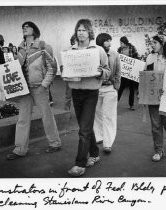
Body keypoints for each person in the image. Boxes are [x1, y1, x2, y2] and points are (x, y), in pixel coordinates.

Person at [6, 21, 61, 160]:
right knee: (22, 118)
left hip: (39, 87)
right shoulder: (19, 49)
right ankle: (20, 149)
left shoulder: (44, 47)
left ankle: (55, 143)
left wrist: (44, 84)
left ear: (34, 30)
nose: (24, 28)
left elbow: (52, 68)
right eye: (22, 27)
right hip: (24, 89)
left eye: (27, 26)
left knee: (46, 115)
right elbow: (14, 68)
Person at [66, 19, 110, 177]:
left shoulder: (98, 50)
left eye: (84, 30)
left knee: (83, 130)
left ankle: (80, 164)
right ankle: (95, 153)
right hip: (76, 92)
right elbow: (65, 72)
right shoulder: (70, 51)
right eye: (78, 30)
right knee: (86, 126)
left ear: (89, 32)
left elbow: (107, 71)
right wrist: (65, 72)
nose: (81, 33)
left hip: (91, 92)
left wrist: (100, 72)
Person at [141, 34, 166, 162]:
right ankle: (158, 150)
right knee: (155, 125)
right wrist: (142, 92)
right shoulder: (149, 57)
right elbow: (145, 75)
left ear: (162, 44)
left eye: (155, 42)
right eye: (151, 42)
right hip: (153, 97)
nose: (152, 45)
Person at [94, 33, 121, 153]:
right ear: (100, 42)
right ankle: (99, 136)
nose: (109, 43)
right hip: (97, 87)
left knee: (108, 116)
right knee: (97, 113)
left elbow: (118, 71)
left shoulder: (115, 54)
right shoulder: (94, 53)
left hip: (110, 88)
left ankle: (108, 143)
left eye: (110, 41)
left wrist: (116, 86)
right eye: (107, 41)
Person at [117, 36, 140, 110]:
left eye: (121, 43)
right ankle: (115, 103)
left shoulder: (132, 48)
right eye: (120, 43)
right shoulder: (120, 49)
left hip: (131, 72)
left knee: (131, 89)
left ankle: (131, 105)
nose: (120, 44)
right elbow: (117, 58)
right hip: (123, 72)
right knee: (121, 88)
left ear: (125, 42)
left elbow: (137, 57)